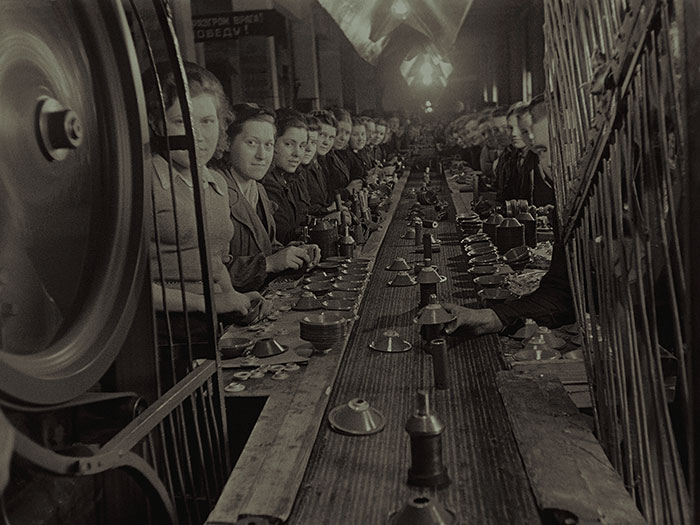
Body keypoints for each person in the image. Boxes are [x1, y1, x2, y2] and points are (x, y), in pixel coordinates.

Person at [444, 96, 574, 336]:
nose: (550, 162)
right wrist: (488, 318)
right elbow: (560, 293)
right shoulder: (567, 205)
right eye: (541, 151)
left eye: (561, 144)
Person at [144, 62, 261, 327]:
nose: (197, 135)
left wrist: (234, 297)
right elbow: (128, 287)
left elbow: (215, 263)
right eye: (181, 121)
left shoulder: (216, 183)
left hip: (211, 326)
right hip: (166, 332)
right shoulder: (144, 182)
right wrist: (204, 303)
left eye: (207, 121)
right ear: (157, 124)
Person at [217, 103, 318, 292]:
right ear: (228, 143)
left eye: (268, 145)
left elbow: (266, 246)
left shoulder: (258, 189)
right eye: (251, 143)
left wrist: (293, 252)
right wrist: (269, 263)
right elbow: (211, 274)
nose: (262, 155)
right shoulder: (216, 191)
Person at [262, 109, 310, 245]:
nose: (297, 153)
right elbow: (284, 236)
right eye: (288, 144)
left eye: (302, 146)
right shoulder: (268, 183)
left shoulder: (288, 178)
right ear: (273, 143)